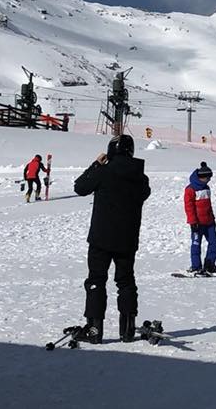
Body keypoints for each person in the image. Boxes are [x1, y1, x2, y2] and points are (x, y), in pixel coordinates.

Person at [72, 134, 151, 344]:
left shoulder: (104, 172)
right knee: (126, 281)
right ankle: (127, 329)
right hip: (127, 238)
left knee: (96, 280)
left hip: (101, 237)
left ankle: (94, 330)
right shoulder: (141, 178)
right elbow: (144, 193)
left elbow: (80, 188)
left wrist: (95, 166)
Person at [183, 162, 216, 275]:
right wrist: (192, 221)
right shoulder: (190, 189)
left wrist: (213, 219)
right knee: (196, 245)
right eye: (208, 177)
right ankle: (196, 267)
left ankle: (209, 265)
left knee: (214, 243)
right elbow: (189, 207)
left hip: (209, 223)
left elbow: (208, 205)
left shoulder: (206, 188)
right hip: (197, 224)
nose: (209, 179)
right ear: (203, 177)